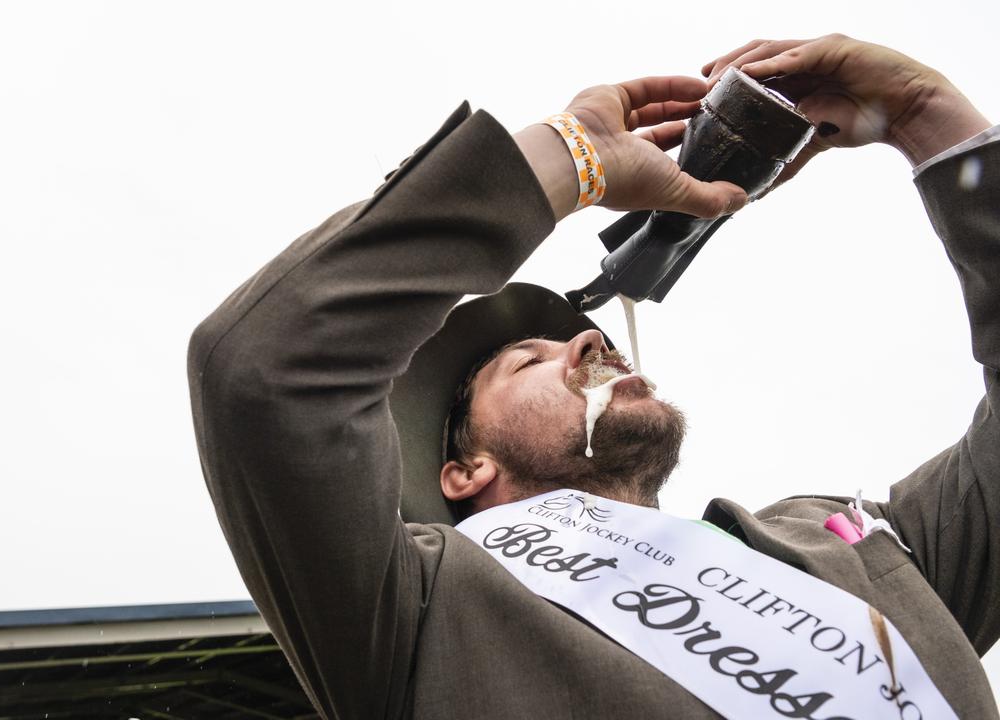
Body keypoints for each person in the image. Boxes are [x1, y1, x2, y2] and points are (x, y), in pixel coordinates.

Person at [187, 34, 999, 718]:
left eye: (584, 340)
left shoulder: (840, 551)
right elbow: (266, 365)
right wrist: (573, 153)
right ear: (466, 471)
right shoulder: (414, 610)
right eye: (528, 359)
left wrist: (928, 115)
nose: (586, 346)